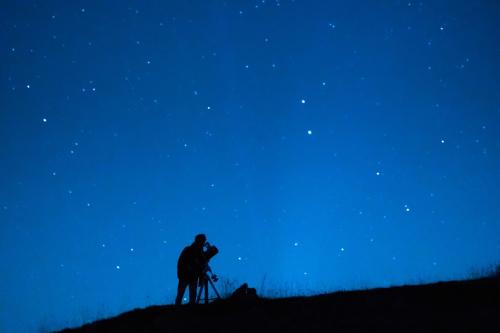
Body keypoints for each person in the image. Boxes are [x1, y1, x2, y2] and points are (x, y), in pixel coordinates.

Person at [175, 234, 207, 305]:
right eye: (202, 240)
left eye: (203, 241)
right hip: (185, 276)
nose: (203, 242)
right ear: (197, 240)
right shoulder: (188, 249)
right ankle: (177, 309)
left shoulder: (201, 253)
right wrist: (181, 275)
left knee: (193, 297)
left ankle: (191, 310)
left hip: (194, 277)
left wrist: (201, 278)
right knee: (180, 295)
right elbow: (181, 263)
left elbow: (201, 266)